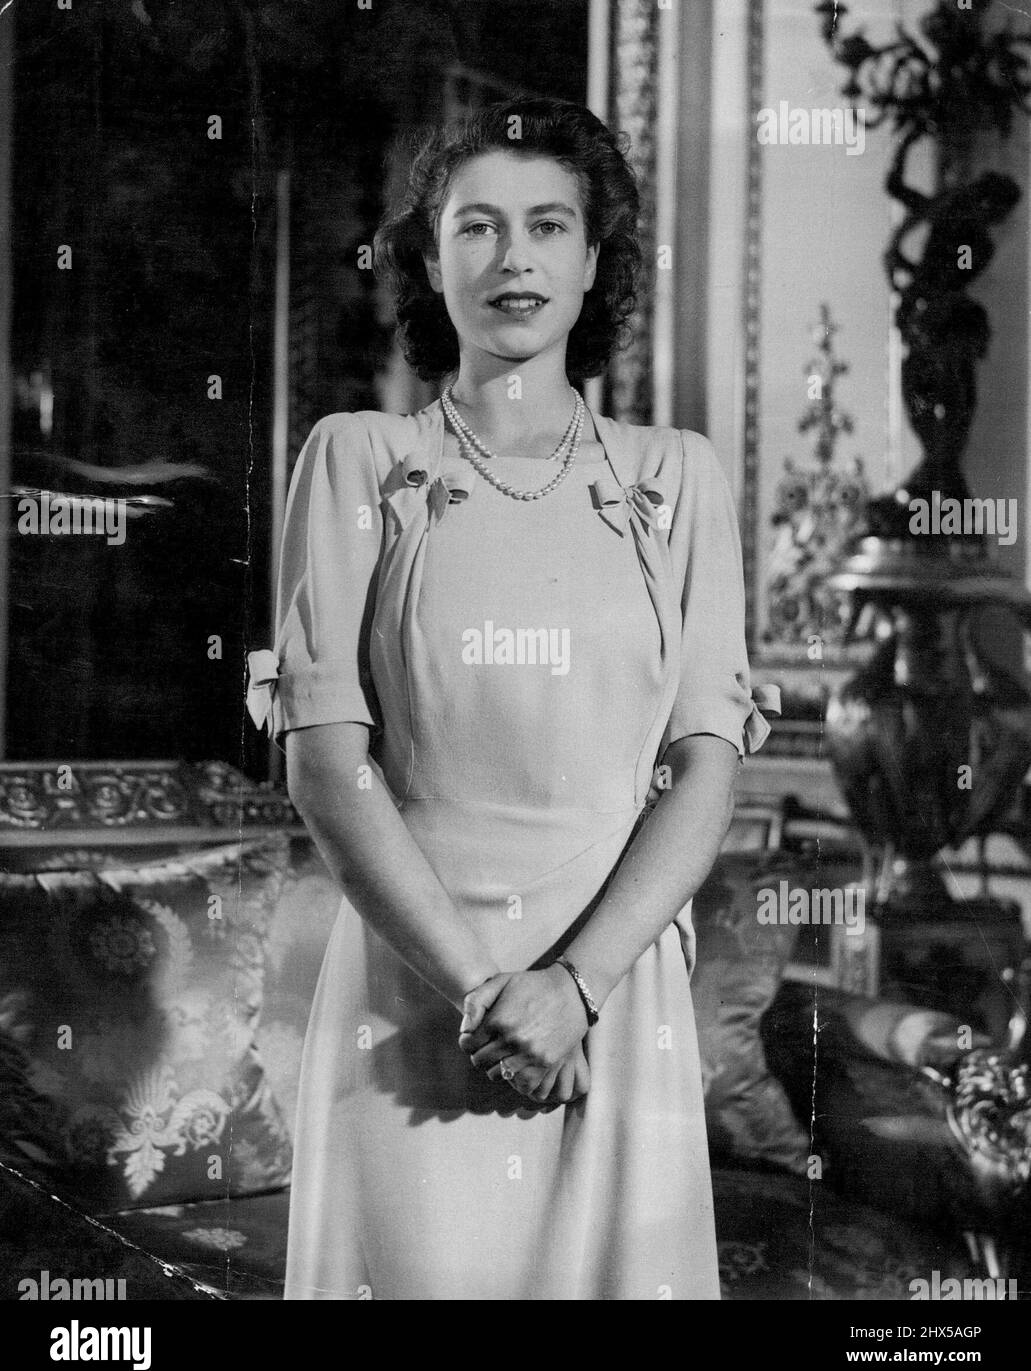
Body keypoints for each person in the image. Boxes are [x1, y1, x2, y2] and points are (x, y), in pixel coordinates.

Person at [246, 96, 774, 1301]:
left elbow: (706, 768)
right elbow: (326, 766)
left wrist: (572, 988)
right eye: (475, 227)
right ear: (431, 263)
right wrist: (487, 996)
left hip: (613, 997)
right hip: (412, 1001)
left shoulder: (676, 480)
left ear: (596, 262)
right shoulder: (355, 462)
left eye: (548, 226)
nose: (513, 257)